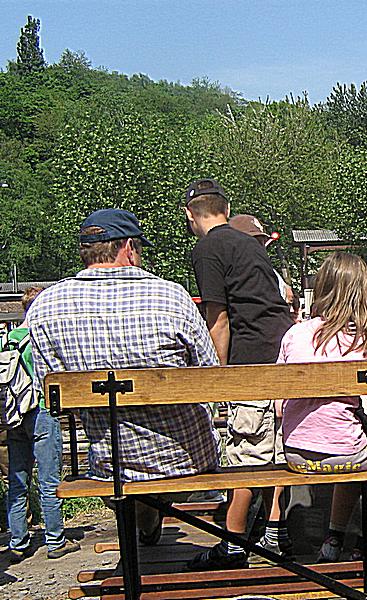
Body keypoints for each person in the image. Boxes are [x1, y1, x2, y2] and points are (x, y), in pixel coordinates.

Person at [26, 208, 219, 551]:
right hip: (185, 458)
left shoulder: (44, 307)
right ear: (128, 248)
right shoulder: (171, 296)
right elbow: (208, 374)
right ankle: (154, 517)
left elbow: (53, 391)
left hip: (110, 462)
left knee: (122, 474)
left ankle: (144, 521)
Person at [184, 180, 294, 570]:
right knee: (278, 449)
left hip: (251, 360)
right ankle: (275, 533)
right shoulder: (249, 244)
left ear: (190, 215)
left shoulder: (207, 249)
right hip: (283, 351)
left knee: (245, 451)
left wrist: (219, 378)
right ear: (226, 210)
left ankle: (232, 545)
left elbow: (218, 319)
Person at [279, 252, 367, 561]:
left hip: (296, 456)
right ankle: (364, 541)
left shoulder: (294, 334)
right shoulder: (366, 343)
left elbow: (280, 407)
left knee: (353, 441)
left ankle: (334, 541)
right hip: (349, 458)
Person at [4, 287, 80, 562]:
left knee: (17, 479)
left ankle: (18, 541)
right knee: (49, 480)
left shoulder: (9, 339)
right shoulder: (41, 338)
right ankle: (55, 541)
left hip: (14, 413)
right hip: (41, 410)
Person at [229, 213, 294, 307]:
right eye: (252, 242)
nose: (258, 248)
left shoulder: (270, 274)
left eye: (261, 243)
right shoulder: (221, 274)